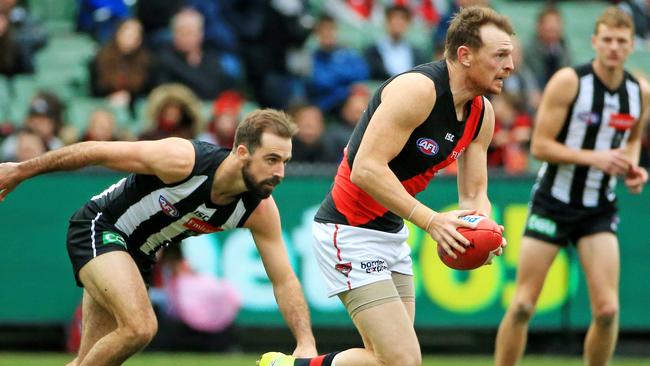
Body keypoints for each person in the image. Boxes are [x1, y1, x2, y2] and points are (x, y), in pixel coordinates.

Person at [259, 6, 512, 366]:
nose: (510, 65)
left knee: (386, 361)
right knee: (404, 361)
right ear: (465, 55)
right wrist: (431, 221)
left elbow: (474, 195)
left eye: (511, 55)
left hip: (390, 233)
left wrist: (483, 228)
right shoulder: (418, 90)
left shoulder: (481, 113)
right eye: (500, 55)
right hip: (348, 229)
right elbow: (365, 168)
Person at [0, 109, 318, 365]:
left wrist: (305, 343)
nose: (280, 173)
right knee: (141, 326)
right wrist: (21, 171)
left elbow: (284, 280)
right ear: (242, 153)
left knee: (91, 359)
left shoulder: (260, 210)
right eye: (272, 160)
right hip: (101, 227)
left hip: (136, 257)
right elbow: (95, 151)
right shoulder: (182, 159)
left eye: (285, 162)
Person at [495, 7, 650, 366]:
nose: (613, 47)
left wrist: (632, 169)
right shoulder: (569, 82)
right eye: (607, 40)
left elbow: (629, 142)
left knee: (608, 309)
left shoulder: (638, 91)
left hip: (598, 208)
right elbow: (539, 146)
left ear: (631, 46)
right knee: (521, 305)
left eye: (621, 41)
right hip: (553, 202)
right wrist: (596, 158)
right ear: (594, 41)